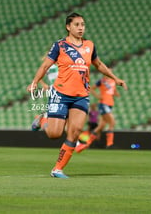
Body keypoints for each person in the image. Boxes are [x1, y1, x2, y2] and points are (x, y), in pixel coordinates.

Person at [27, 12, 127, 178]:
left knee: (75, 131)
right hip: (60, 94)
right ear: (68, 27)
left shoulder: (89, 45)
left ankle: (57, 169)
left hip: (81, 95)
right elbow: (45, 65)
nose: (81, 28)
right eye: (77, 25)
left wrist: (115, 78)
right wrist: (35, 82)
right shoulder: (59, 45)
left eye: (83, 25)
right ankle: (43, 120)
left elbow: (99, 64)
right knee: (54, 134)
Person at [76, 75, 121, 152]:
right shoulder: (102, 81)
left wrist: (117, 94)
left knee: (101, 126)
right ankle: (110, 144)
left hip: (110, 104)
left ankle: (87, 143)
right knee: (112, 122)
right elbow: (92, 89)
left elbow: (114, 91)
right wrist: (98, 96)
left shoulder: (113, 81)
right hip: (104, 104)